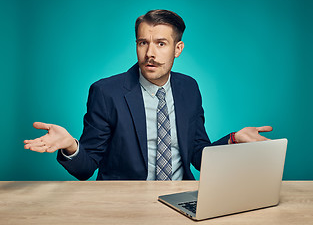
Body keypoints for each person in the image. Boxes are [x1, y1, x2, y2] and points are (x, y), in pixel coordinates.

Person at [24, 10, 272, 180]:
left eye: (161, 44)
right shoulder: (106, 92)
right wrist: (70, 145)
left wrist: (233, 140)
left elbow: (198, 155)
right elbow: (86, 168)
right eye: (143, 43)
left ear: (178, 49)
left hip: (180, 197)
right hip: (124, 203)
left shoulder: (189, 88)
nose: (150, 53)